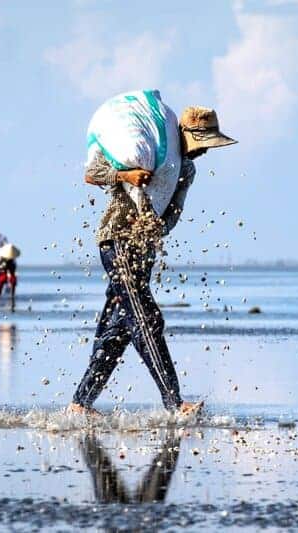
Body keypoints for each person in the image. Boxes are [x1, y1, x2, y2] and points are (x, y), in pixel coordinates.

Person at [69, 105, 237, 417]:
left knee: (118, 330)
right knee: (148, 320)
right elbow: (92, 174)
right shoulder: (149, 151)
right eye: (200, 143)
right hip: (117, 241)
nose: (202, 152)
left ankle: (80, 405)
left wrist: (154, 227)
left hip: (143, 251)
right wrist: (126, 175)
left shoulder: (185, 170)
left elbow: (172, 213)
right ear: (184, 135)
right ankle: (175, 405)